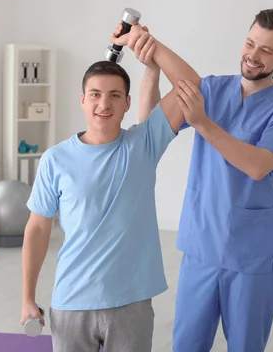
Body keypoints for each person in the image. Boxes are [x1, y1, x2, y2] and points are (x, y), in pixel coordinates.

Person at [112, 8, 273, 351]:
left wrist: (203, 123)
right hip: (201, 247)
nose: (253, 55)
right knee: (187, 345)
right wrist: (150, 64)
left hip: (251, 256)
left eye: (266, 50)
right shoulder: (214, 89)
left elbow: (259, 166)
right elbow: (149, 125)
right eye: (250, 43)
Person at [20, 37, 185, 352]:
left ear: (126, 102)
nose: (104, 104)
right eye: (95, 95)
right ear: (82, 100)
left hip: (130, 304)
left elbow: (190, 86)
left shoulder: (143, 146)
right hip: (71, 304)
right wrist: (27, 298)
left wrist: (150, 50)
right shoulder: (55, 159)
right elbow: (38, 228)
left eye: (114, 96)